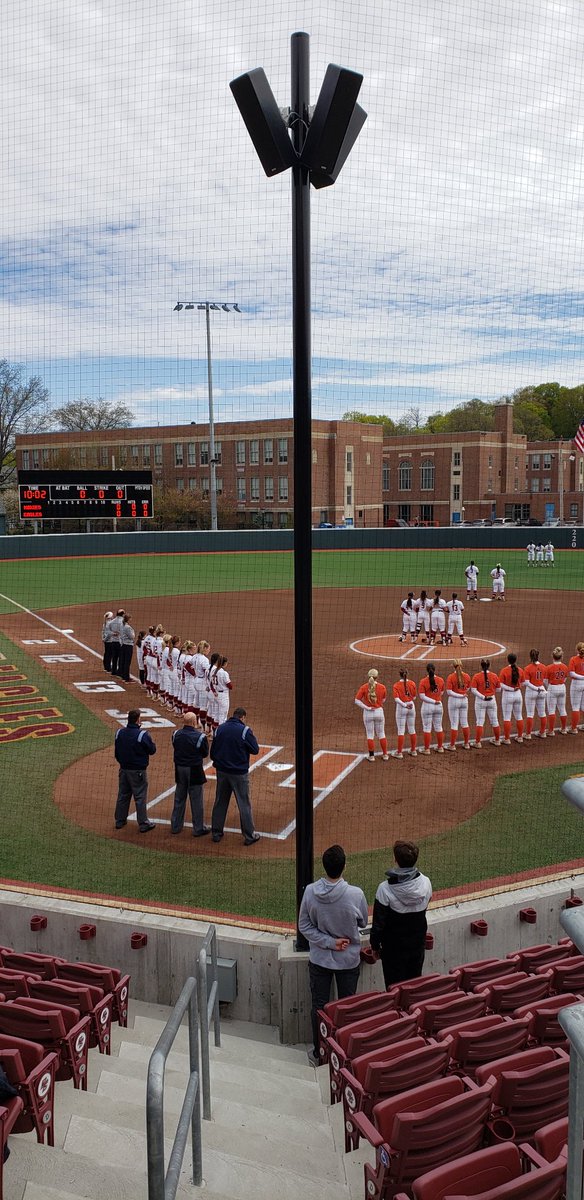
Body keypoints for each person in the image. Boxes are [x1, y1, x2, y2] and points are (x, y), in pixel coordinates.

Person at [298, 843, 368, 1066]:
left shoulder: (310, 891)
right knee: (347, 1008)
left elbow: (304, 925)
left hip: (320, 959)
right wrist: (336, 940)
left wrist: (328, 942)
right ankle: (345, 1053)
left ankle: (320, 1054)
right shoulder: (355, 894)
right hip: (348, 959)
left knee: (319, 1007)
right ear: (344, 866)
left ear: (325, 866)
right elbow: (363, 922)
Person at [370, 840, 432, 988]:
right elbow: (426, 904)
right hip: (417, 946)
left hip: (393, 951)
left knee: (394, 991)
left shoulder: (384, 889)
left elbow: (378, 923)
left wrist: (374, 947)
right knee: (413, 989)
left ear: (395, 860)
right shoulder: (426, 882)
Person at [210, 706, 260, 845]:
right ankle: (249, 836)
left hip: (222, 772)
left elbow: (213, 752)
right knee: (244, 803)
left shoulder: (220, 729)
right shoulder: (245, 730)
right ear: (242, 717)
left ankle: (216, 833)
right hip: (238, 773)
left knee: (220, 801)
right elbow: (255, 749)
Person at [114, 709, 156, 832]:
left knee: (123, 794)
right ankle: (143, 823)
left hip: (123, 769)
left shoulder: (119, 732)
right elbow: (152, 750)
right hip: (138, 771)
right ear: (138, 720)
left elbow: (117, 752)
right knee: (140, 796)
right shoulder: (142, 735)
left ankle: (119, 820)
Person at [171, 713, 210, 836]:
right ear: (194, 722)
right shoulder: (200, 737)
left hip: (179, 769)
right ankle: (198, 828)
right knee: (196, 799)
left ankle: (175, 826)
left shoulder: (175, 734)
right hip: (194, 770)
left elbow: (175, 746)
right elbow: (204, 753)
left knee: (179, 797)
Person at [354, 668, 388, 762]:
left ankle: (371, 756)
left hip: (368, 713)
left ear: (368, 676)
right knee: (381, 733)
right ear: (377, 677)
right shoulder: (382, 687)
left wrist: (367, 707)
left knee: (370, 734)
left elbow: (357, 700)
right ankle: (385, 754)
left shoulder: (364, 687)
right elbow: (383, 700)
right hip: (379, 712)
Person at [470, 659, 501, 748]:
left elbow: (473, 690)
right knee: (495, 721)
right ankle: (498, 740)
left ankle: (478, 743)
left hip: (480, 701)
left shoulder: (476, 676)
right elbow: (499, 690)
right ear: (489, 666)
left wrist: (483, 697)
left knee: (480, 722)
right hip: (492, 700)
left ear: (481, 665)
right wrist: (490, 691)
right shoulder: (494, 676)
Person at [498, 652, 525, 745]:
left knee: (507, 717)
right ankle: (520, 737)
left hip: (507, 695)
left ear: (508, 660)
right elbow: (523, 682)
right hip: (518, 695)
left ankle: (507, 739)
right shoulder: (520, 670)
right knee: (519, 716)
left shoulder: (504, 670)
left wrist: (510, 688)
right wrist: (516, 687)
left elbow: (501, 685)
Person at [418, 662, 445, 754]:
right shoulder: (441, 680)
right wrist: (436, 700)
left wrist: (432, 701)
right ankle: (440, 747)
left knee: (427, 728)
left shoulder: (423, 681)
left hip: (427, 706)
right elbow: (441, 693)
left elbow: (422, 696)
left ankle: (427, 749)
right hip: (439, 706)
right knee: (438, 726)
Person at [445, 659, 472, 750]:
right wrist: (462, 694)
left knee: (454, 724)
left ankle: (452, 745)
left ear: (453, 666)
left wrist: (458, 695)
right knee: (465, 723)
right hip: (464, 700)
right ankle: (467, 744)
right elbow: (468, 688)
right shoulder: (467, 676)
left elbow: (449, 692)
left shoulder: (451, 677)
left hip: (454, 701)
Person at [392, 668, 417, 759]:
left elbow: (396, 699)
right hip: (411, 706)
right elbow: (414, 697)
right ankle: (413, 751)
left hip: (401, 708)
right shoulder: (412, 683)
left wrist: (404, 705)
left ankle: (399, 752)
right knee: (412, 729)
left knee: (401, 730)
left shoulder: (396, 685)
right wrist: (408, 703)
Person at [523, 648, 548, 739]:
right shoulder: (544, 667)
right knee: (542, 713)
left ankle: (528, 734)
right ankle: (543, 732)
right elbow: (545, 681)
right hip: (541, 690)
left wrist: (536, 688)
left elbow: (526, 682)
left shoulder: (527, 668)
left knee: (530, 713)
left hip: (531, 692)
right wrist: (544, 689)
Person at [545, 647, 569, 736]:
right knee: (562, 709)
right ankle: (564, 729)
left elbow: (545, 681)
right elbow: (565, 679)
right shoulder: (565, 667)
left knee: (551, 710)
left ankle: (551, 731)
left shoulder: (549, 667)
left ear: (552, 656)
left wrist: (550, 687)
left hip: (552, 688)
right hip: (562, 687)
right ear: (561, 656)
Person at [568, 642, 584, 734]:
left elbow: (571, 673)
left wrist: (582, 677)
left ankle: (573, 728)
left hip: (577, 684)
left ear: (577, 650)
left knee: (575, 707)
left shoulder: (573, 659)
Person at [108, 609, 126, 676]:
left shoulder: (112, 622)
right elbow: (124, 632)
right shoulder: (122, 622)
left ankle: (113, 671)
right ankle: (120, 672)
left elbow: (108, 631)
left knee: (114, 657)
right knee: (121, 657)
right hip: (120, 642)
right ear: (123, 614)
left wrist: (113, 633)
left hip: (113, 642)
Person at [119, 613, 135, 683]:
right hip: (128, 645)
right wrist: (133, 633)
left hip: (123, 645)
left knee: (123, 661)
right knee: (127, 662)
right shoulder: (127, 627)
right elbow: (132, 636)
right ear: (128, 619)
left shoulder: (122, 626)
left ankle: (123, 676)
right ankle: (126, 678)